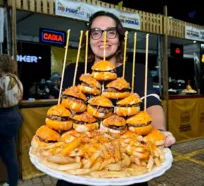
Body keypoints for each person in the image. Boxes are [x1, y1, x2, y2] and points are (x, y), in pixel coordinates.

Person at [56, 11, 176, 186]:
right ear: (88, 39)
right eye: (96, 32)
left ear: (119, 40)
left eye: (111, 32)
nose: (103, 39)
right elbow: (64, 109)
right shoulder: (74, 70)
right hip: (79, 164)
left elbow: (151, 103)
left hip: (126, 169)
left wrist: (160, 131)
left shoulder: (137, 69)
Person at [0, 54, 24, 186]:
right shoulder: (15, 78)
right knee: (10, 154)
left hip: (4, 117)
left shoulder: (2, 80)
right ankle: (11, 182)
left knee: (9, 157)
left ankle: (11, 183)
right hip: (15, 114)